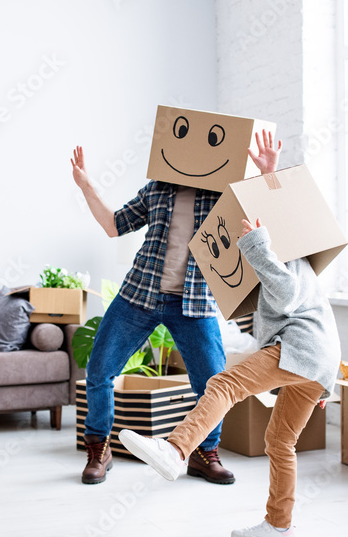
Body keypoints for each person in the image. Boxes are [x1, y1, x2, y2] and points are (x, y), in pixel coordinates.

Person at [118, 197, 341, 537]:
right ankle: (280, 526)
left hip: (301, 347)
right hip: (318, 359)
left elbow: (284, 296)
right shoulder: (293, 254)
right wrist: (325, 382)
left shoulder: (285, 250)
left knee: (224, 384)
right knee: (281, 441)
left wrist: (255, 243)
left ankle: (176, 451)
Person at [69, 131, 281, 485]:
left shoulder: (221, 195)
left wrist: (267, 175)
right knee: (99, 369)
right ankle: (99, 448)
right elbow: (113, 225)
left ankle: (203, 453)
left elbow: (263, 226)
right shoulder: (156, 189)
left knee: (214, 382)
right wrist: (86, 185)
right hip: (139, 295)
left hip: (194, 302)